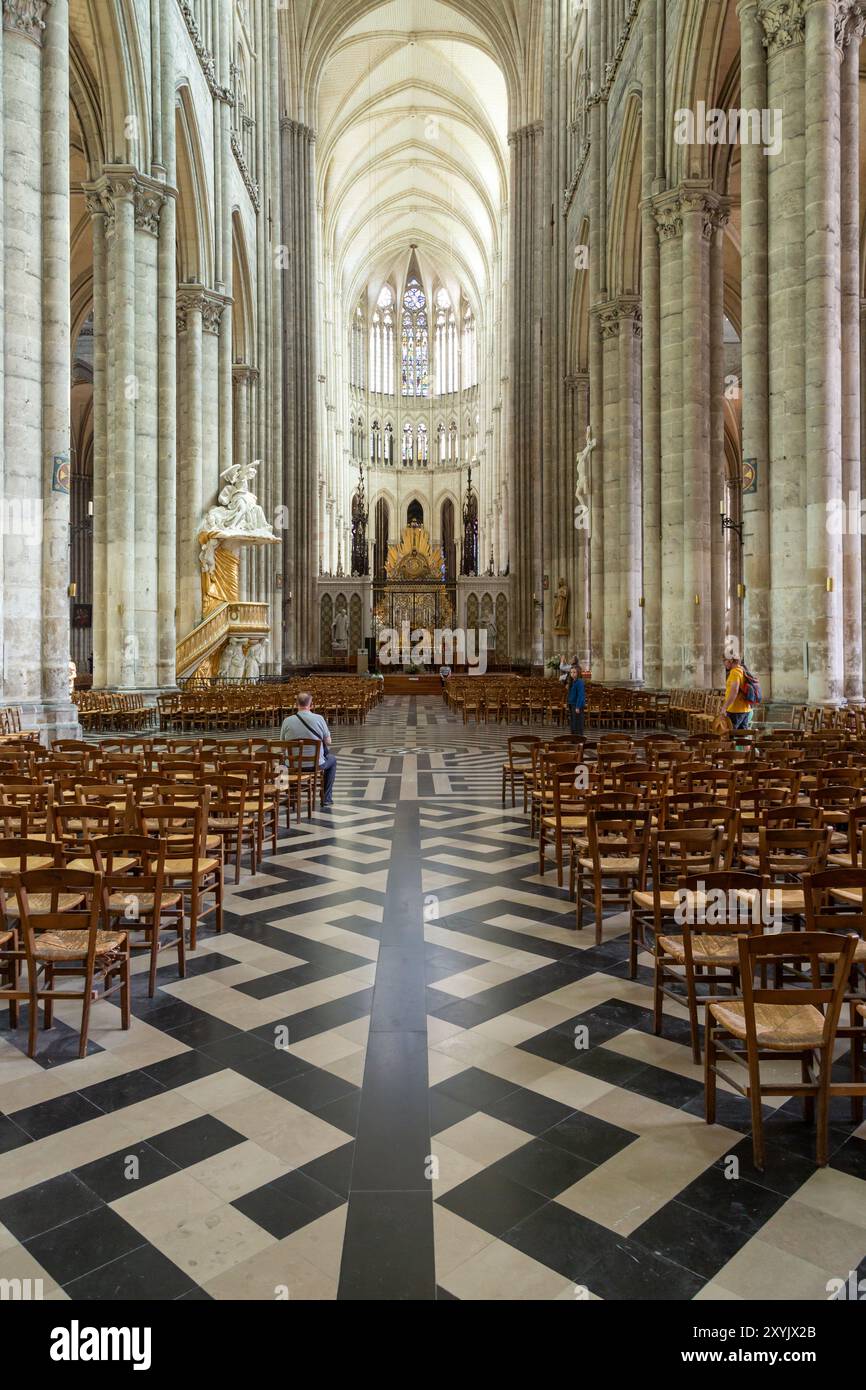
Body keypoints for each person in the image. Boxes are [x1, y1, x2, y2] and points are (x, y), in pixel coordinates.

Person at [280, 692, 337, 808]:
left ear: (296, 704)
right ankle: (326, 798)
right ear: (311, 705)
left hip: (293, 765)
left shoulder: (287, 721)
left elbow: (283, 746)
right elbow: (328, 742)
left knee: (280, 764)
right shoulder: (319, 719)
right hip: (316, 764)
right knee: (333, 760)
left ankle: (289, 796)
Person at [723, 652, 752, 730]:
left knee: (729, 736)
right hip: (745, 709)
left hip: (735, 710)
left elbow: (734, 692)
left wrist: (724, 707)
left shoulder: (735, 673)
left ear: (730, 661)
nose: (724, 664)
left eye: (724, 661)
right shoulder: (742, 670)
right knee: (742, 737)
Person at [566, 664, 586, 737]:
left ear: (578, 673)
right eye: (571, 672)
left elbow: (580, 695)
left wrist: (578, 706)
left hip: (577, 705)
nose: (572, 674)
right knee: (573, 722)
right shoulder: (572, 682)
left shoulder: (580, 682)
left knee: (578, 722)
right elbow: (571, 694)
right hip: (571, 704)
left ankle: (579, 738)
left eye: (574, 672)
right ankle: (573, 737)